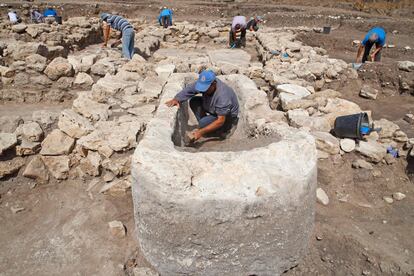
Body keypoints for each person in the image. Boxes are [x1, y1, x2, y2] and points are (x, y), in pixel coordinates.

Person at [165, 70, 239, 142]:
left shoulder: (223, 96)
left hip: (226, 117)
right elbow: (190, 89)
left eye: (205, 88)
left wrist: (200, 132)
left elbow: (220, 121)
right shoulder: (206, 82)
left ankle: (221, 130)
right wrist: (177, 99)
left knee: (203, 123)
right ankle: (207, 126)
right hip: (214, 108)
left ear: (213, 84)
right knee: (195, 101)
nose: (203, 90)